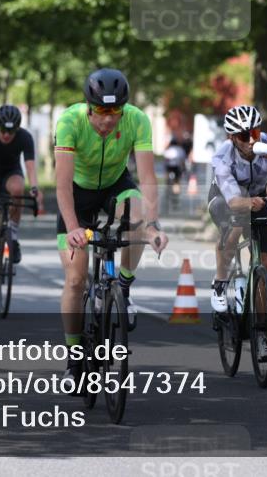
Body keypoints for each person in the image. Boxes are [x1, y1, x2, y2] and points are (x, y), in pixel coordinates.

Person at [55, 68, 168, 384]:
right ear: (89, 107)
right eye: (102, 111)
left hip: (115, 186)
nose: (108, 119)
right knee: (75, 281)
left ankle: (125, 287)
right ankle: (74, 358)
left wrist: (154, 226)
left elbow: (146, 178)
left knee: (136, 215)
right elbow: (61, 185)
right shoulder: (69, 121)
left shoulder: (137, 120)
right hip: (77, 196)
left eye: (115, 111)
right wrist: (75, 228)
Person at [207, 105, 267, 358]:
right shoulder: (222, 157)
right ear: (231, 138)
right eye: (243, 135)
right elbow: (233, 201)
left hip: (257, 197)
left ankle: (262, 334)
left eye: (255, 132)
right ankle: (219, 283)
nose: (251, 140)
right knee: (237, 224)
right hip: (225, 198)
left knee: (265, 265)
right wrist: (248, 203)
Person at [0, 104, 45, 303]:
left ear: (18, 129)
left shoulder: (25, 137)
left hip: (11, 174)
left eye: (11, 131)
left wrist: (35, 189)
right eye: (3, 130)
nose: (6, 135)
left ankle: (12, 234)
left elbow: (30, 168)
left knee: (19, 190)